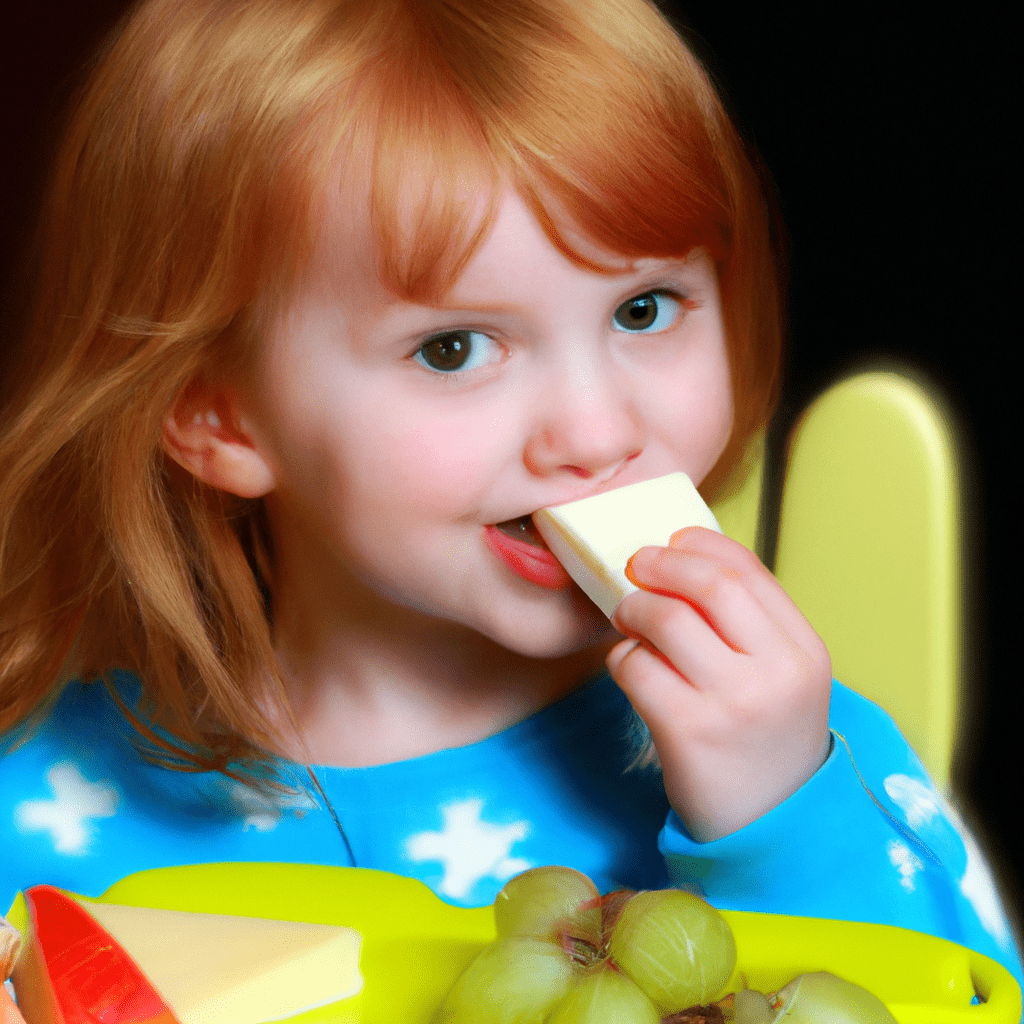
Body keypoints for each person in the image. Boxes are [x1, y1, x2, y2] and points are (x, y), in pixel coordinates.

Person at [1, 0, 1020, 1006]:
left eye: (642, 308)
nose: (595, 430)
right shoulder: (35, 810)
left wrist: (779, 822)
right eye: (452, 348)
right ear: (219, 415)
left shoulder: (806, 763)